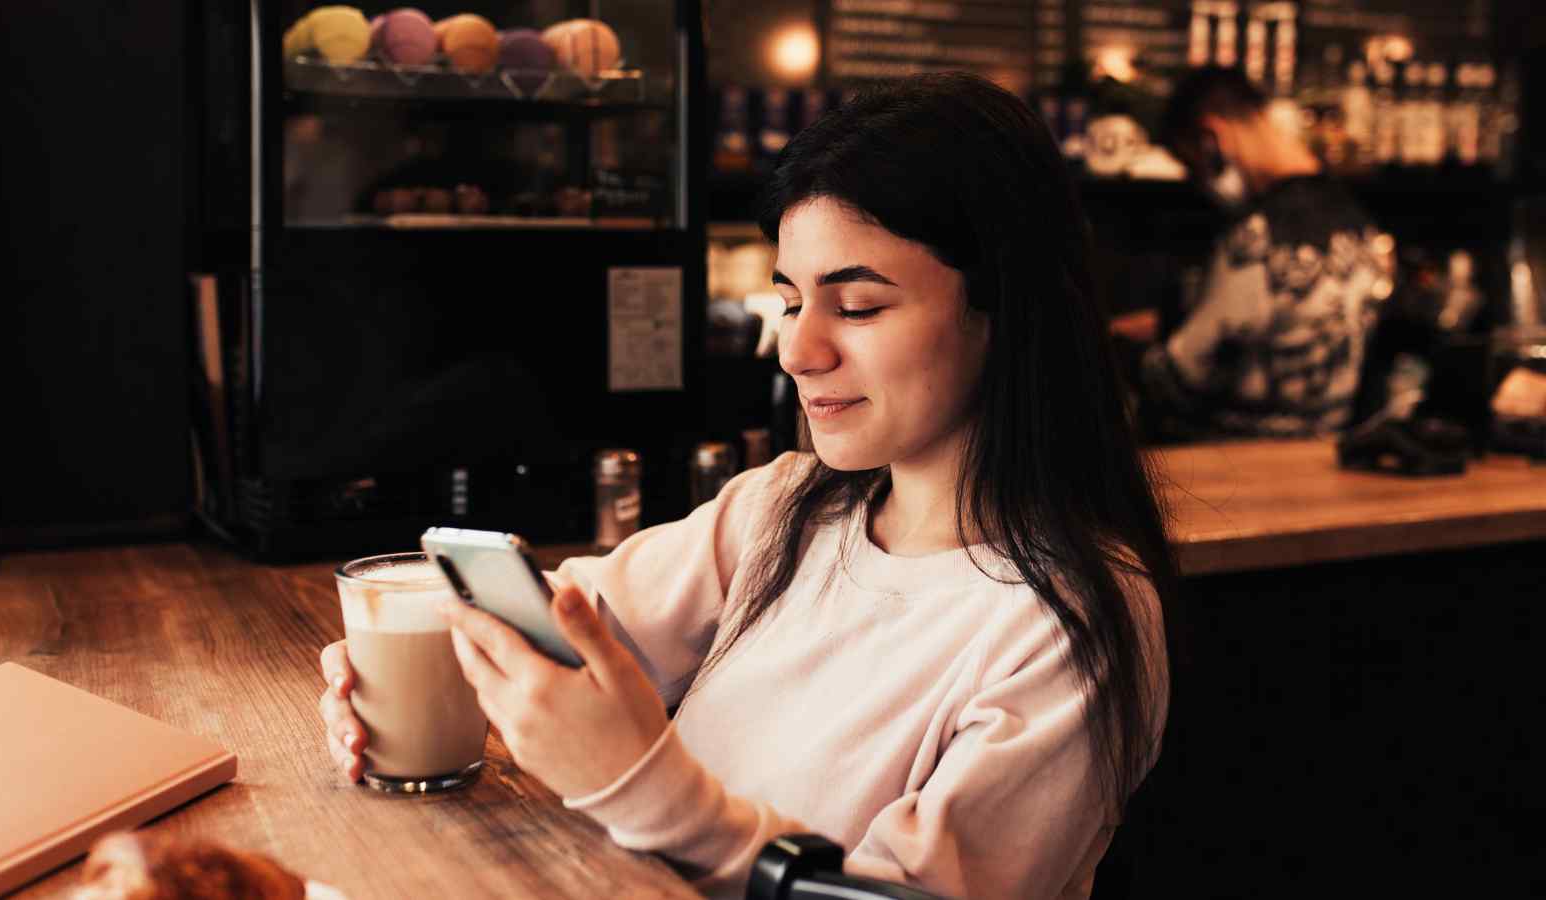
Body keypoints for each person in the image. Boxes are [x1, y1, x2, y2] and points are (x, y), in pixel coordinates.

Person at [318, 72, 1172, 900]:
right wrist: (400, 672)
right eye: (792, 302)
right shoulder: (783, 508)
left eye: (860, 306)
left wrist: (646, 789)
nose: (799, 351)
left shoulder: (1071, 624)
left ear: (1004, 312)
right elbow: (563, 630)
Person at [1113, 67, 1393, 439]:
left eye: (1195, 167)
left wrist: (1108, 349)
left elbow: (1179, 376)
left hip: (1242, 466)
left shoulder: (1255, 238)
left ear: (1212, 138)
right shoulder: (1361, 224)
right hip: (1324, 454)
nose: (1203, 185)